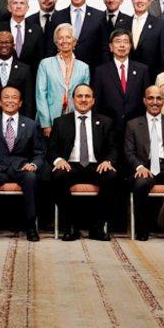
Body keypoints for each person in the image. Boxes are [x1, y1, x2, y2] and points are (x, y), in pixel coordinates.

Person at [46, 83, 117, 241]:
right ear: (73, 100)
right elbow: (51, 150)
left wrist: (108, 161)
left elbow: (113, 148)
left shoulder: (106, 122)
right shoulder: (60, 122)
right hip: (71, 165)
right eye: (79, 96)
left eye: (87, 96)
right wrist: (59, 160)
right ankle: (70, 226)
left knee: (111, 177)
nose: (83, 99)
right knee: (58, 176)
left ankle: (97, 227)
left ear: (93, 100)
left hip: (96, 166)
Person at [0, 86, 44, 241]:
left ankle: (31, 226)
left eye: (14, 97)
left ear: (20, 102)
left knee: (31, 178)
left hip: (21, 168)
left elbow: (39, 153)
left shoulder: (30, 125)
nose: (10, 100)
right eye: (6, 97)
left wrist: (33, 165)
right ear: (0, 102)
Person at [125, 86, 164, 240]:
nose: (155, 102)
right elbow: (129, 152)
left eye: (158, 98)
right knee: (140, 184)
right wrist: (139, 167)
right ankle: (143, 229)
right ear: (144, 101)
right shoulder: (133, 124)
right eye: (151, 98)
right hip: (144, 168)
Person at [35, 23, 91, 136]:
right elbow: (41, 95)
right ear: (56, 43)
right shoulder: (45, 64)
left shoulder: (84, 67)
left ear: (74, 42)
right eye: (60, 38)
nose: (64, 41)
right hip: (50, 118)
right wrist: (46, 123)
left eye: (68, 37)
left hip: (73, 119)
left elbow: (84, 97)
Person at [91, 29, 148, 133]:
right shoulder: (100, 71)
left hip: (137, 128)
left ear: (131, 46)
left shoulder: (142, 70)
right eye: (117, 41)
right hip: (109, 128)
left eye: (126, 42)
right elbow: (96, 103)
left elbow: (146, 100)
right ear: (111, 47)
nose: (122, 45)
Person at [48, 0, 107, 66]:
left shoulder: (99, 16)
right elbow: (51, 47)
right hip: (61, 70)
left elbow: (104, 48)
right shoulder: (57, 17)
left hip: (92, 71)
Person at [0, 30, 35, 122]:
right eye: (0, 42)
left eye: (7, 42)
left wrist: (27, 123)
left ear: (14, 45)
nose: (4, 45)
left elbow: (28, 101)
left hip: (18, 121)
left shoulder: (24, 69)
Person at [0, 0, 45, 66]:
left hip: (30, 76)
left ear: (27, 8)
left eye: (22, 3)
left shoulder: (36, 30)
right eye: (15, 3)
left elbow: (40, 58)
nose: (18, 6)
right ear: (9, 7)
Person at [127, 0, 164, 77]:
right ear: (132, 0)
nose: (140, 0)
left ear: (149, 1)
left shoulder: (161, 25)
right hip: (127, 78)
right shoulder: (123, 24)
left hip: (151, 78)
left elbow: (163, 58)